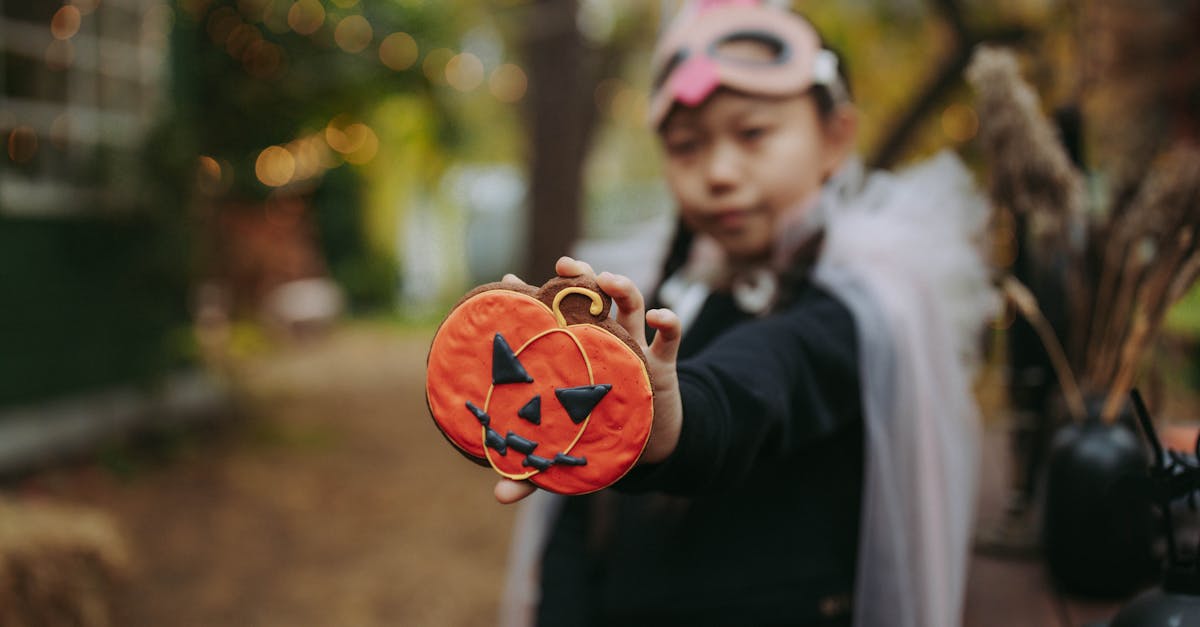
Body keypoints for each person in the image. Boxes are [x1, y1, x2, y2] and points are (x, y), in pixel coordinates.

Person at [492, 1, 997, 626]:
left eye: (753, 133)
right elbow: (577, 525)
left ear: (835, 137)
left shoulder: (859, 307)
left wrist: (661, 421)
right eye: (685, 147)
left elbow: (761, 380)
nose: (719, 172)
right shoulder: (655, 293)